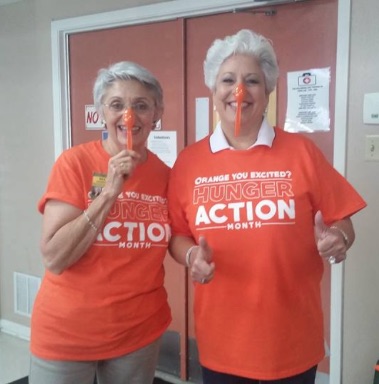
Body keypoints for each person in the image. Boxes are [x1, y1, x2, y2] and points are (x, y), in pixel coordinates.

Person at [167, 29, 367, 384]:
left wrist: (339, 238)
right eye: (228, 80)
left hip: (292, 341)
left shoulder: (301, 152)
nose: (239, 91)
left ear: (269, 91)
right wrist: (190, 258)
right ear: (214, 91)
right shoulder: (188, 162)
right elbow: (178, 235)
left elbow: (343, 221)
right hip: (223, 343)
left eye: (252, 81)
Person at [30, 61, 171, 384]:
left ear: (157, 114)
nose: (128, 116)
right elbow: (54, 257)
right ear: (100, 113)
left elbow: (179, 236)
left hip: (138, 331)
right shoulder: (74, 163)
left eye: (141, 106)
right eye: (117, 104)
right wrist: (108, 194)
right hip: (66, 333)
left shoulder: (165, 175)